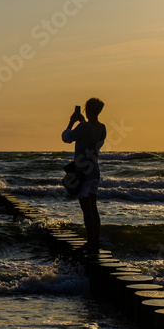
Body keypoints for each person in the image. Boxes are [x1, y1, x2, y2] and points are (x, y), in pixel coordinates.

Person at [62, 98, 106, 254]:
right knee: (93, 208)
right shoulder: (102, 128)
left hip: (83, 172)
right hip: (94, 171)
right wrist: (81, 122)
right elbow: (91, 138)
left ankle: (90, 243)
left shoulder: (85, 126)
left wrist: (71, 122)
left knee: (86, 209)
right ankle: (95, 242)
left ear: (88, 109)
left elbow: (66, 138)